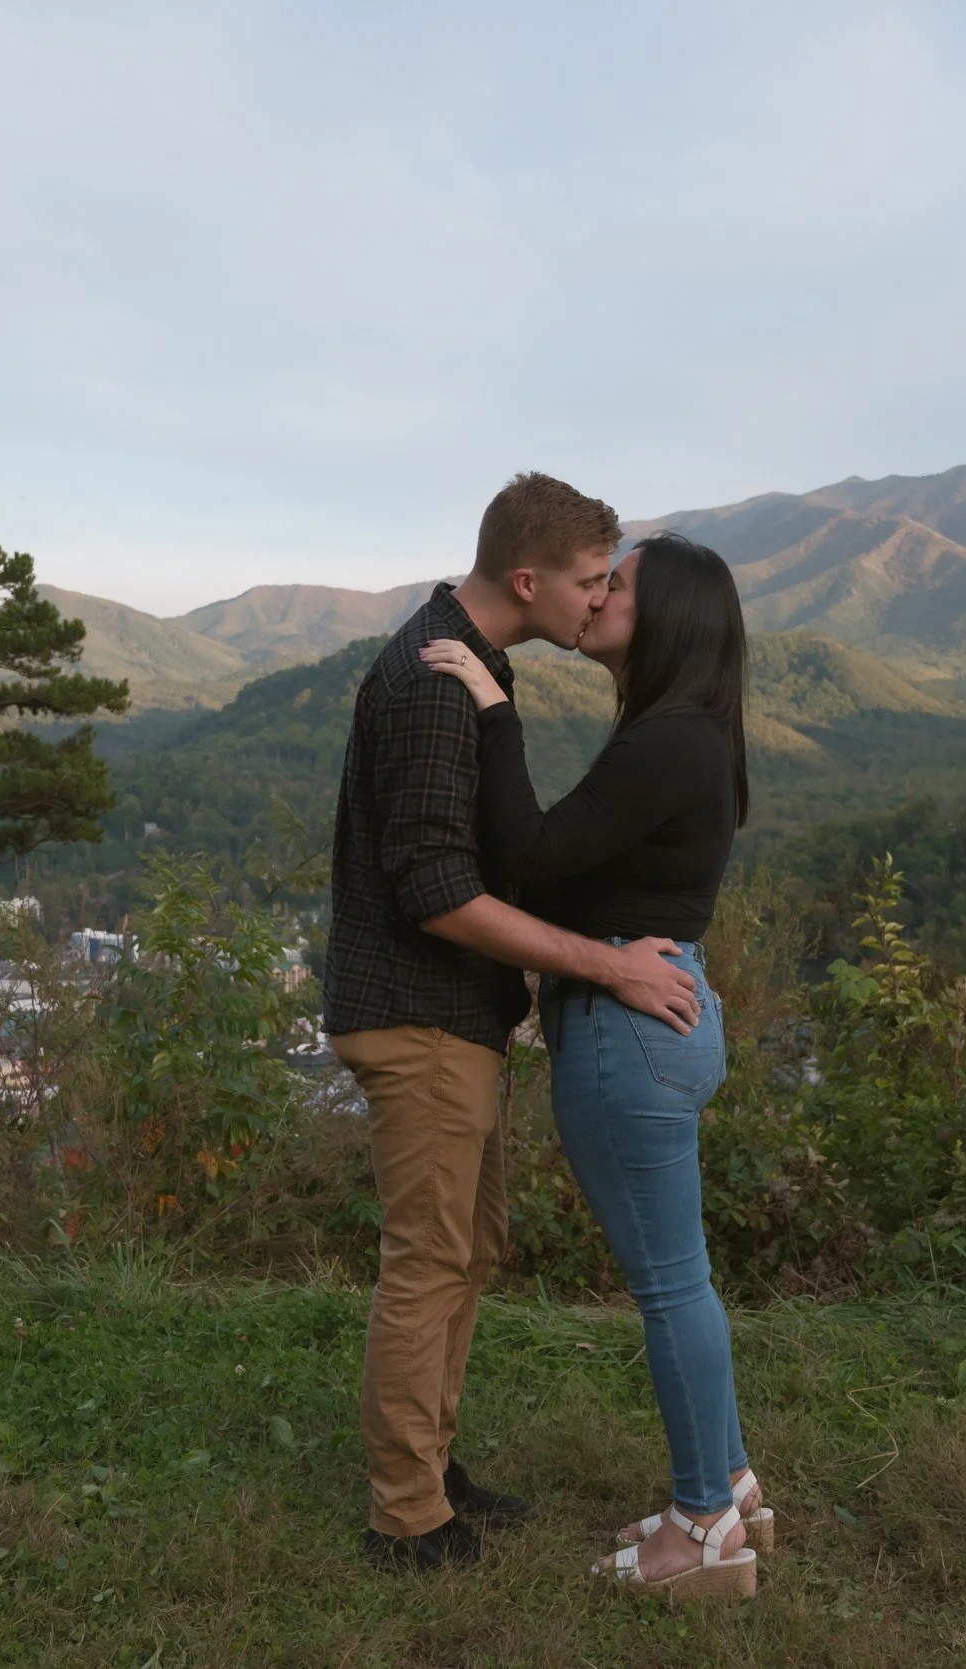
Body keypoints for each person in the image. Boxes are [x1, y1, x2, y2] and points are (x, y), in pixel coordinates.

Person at [322, 472, 704, 1572]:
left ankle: (431, 1467)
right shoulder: (436, 681)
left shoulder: (468, 660)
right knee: (430, 1259)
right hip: (416, 1016)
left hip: (453, 1018)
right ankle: (406, 1516)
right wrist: (607, 967)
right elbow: (438, 891)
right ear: (528, 579)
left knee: (466, 1249)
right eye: (589, 582)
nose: (598, 603)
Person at [417, 532, 767, 1603]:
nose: (600, 594)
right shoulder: (686, 733)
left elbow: (528, 859)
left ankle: (702, 1520)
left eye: (620, 584)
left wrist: (491, 705)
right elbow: (575, 879)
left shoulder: (667, 742)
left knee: (669, 1290)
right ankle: (731, 1484)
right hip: (656, 1016)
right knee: (684, 1281)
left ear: (668, 619)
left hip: (628, 1034)